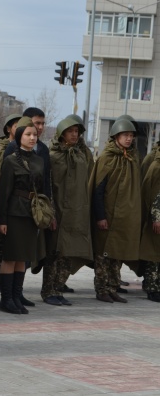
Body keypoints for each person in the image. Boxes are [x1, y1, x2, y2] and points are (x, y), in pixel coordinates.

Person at [41, 116, 92, 306]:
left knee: (70, 252)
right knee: (54, 253)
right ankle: (48, 291)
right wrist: (51, 211)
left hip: (77, 212)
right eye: (71, 131)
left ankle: (59, 287)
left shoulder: (82, 155)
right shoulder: (53, 155)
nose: (74, 135)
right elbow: (47, 184)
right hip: (58, 211)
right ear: (62, 133)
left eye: (77, 132)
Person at [0, 117, 44, 315]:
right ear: (18, 137)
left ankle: (16, 296)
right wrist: (2, 220)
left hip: (31, 214)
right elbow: (3, 192)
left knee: (22, 258)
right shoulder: (10, 160)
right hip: (14, 213)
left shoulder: (39, 160)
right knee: (10, 256)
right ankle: (6, 299)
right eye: (28, 134)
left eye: (34, 135)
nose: (33, 138)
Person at [90, 118, 140, 303]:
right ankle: (101, 289)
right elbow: (98, 190)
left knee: (116, 255)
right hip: (108, 216)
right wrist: (100, 216)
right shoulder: (107, 158)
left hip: (123, 218)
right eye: (126, 135)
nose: (129, 138)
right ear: (116, 135)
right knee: (103, 256)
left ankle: (112, 288)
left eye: (131, 135)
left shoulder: (132, 158)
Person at [0, 113, 21, 292]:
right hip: (2, 202)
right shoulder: (3, 150)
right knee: (1, 247)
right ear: (9, 128)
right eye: (16, 125)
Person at [140, 144, 160, 302]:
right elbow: (149, 191)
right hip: (156, 216)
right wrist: (155, 216)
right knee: (154, 253)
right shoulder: (156, 165)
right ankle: (152, 287)